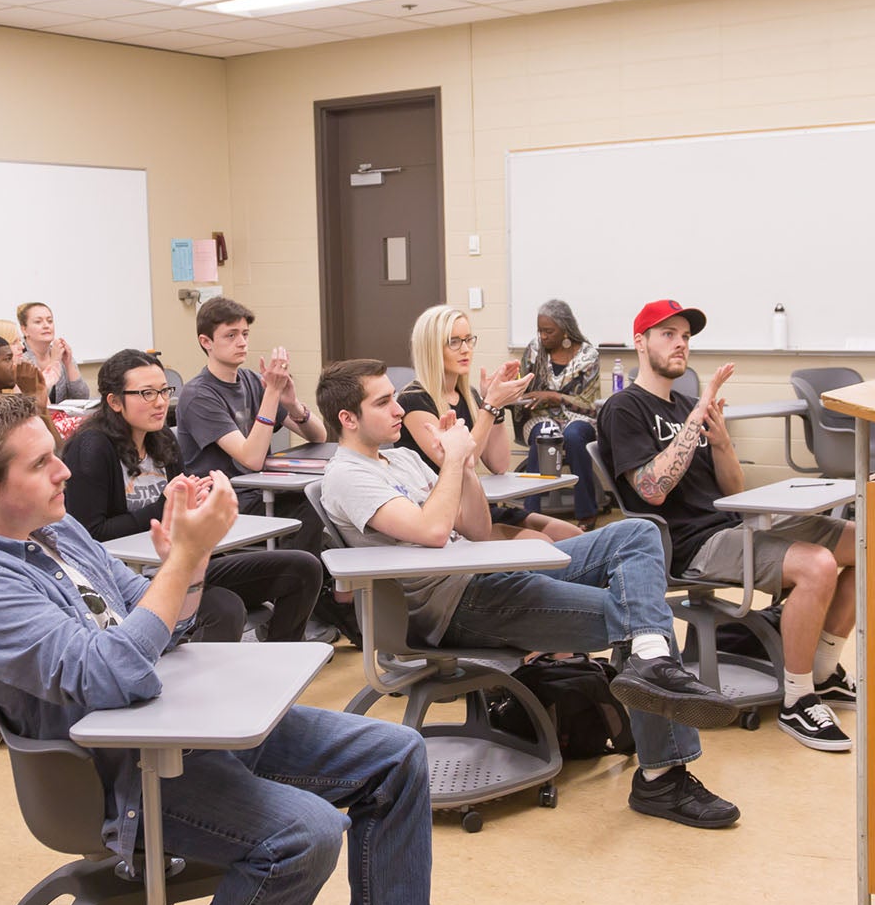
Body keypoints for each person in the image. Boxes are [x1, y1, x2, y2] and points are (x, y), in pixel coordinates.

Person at [0, 394, 492, 905]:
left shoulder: (56, 533)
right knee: (306, 830)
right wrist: (180, 563)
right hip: (118, 779)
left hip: (187, 729)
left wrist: (188, 565)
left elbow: (160, 624)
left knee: (396, 754)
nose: (64, 472)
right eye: (42, 462)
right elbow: (111, 673)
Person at [317, 359, 742, 828]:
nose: (399, 409)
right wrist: (456, 459)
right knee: (636, 612)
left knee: (638, 534)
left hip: (486, 572)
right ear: (348, 419)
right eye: (383, 402)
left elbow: (475, 529)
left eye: (394, 397)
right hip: (455, 604)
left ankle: (648, 659)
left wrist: (460, 466)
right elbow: (434, 531)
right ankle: (662, 775)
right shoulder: (347, 476)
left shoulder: (398, 456)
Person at [597, 300, 859, 752]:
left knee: (865, 543)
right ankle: (799, 699)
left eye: (685, 336)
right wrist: (696, 417)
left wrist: (719, 442)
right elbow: (652, 489)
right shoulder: (624, 408)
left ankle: (822, 667)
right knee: (817, 565)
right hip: (689, 544)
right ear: (640, 343)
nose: (681, 344)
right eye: (668, 334)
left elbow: (733, 489)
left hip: (731, 525)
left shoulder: (685, 403)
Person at [64, 349, 324, 643]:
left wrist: (205, 507)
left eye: (164, 391)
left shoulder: (162, 439)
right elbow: (91, 534)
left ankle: (279, 664)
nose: (160, 402)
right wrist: (164, 508)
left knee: (303, 568)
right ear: (114, 402)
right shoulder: (92, 448)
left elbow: (181, 512)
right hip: (131, 580)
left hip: (184, 563)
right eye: (147, 394)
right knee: (225, 608)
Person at [396, 305, 579, 543]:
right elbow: (463, 461)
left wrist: (496, 407)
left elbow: (499, 464)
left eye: (468, 340)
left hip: (476, 506)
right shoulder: (413, 400)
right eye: (454, 342)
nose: (466, 350)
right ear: (431, 348)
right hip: (448, 516)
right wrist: (490, 405)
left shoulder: (468, 395)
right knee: (541, 542)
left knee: (571, 533)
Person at [175, 296, 328, 503]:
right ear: (206, 342)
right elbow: (252, 459)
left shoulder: (253, 380)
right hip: (227, 499)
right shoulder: (198, 395)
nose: (242, 343)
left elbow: (319, 436)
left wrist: (293, 405)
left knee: (324, 497)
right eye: (231, 335)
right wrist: (273, 392)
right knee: (311, 507)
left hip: (260, 489)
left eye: (245, 334)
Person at [514, 299, 604, 525]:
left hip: (580, 418)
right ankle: (530, 515)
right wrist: (516, 389)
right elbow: (521, 389)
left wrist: (555, 396)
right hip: (540, 417)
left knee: (574, 436)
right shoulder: (534, 351)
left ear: (565, 330)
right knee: (546, 434)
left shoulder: (588, 356)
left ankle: (586, 513)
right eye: (540, 330)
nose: (543, 336)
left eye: (549, 331)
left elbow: (590, 405)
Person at [15, 301, 90, 403]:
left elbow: (82, 397)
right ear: (24, 330)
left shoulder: (59, 352)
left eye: (50, 321)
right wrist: (54, 362)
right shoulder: (20, 358)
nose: (46, 326)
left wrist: (69, 364)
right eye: (38, 322)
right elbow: (33, 401)